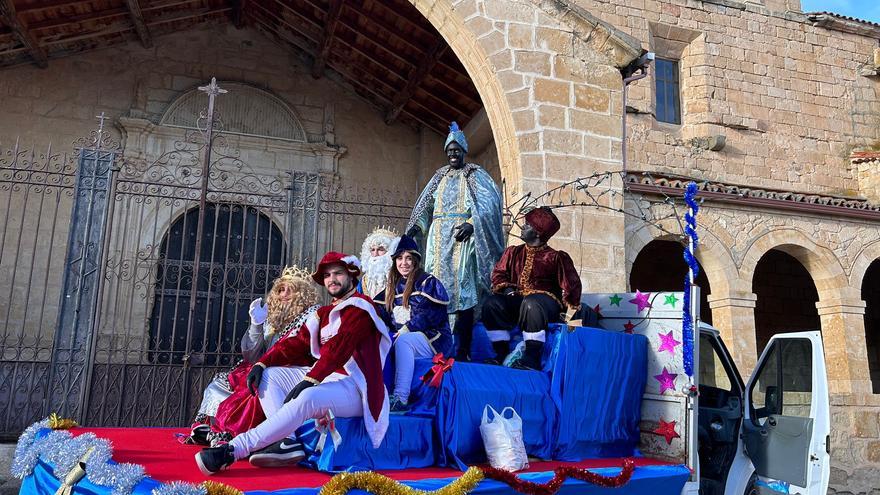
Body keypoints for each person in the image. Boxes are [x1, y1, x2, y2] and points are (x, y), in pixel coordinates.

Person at [195, 252, 392, 475]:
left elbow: (339, 348)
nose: (332, 279)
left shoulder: (361, 308)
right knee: (270, 375)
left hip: (357, 387)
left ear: (352, 276)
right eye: (327, 275)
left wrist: (311, 379)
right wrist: (262, 363)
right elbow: (296, 344)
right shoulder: (324, 313)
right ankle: (287, 442)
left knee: (307, 397)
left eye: (338, 273)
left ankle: (232, 450)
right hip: (325, 378)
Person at [406, 121, 505, 362]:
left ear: (463, 151)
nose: (453, 154)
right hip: (437, 242)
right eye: (449, 151)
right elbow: (425, 208)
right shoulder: (438, 177)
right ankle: (436, 345)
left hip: (462, 242)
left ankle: (463, 350)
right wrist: (416, 228)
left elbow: (490, 204)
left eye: (456, 150)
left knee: (464, 293)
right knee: (435, 291)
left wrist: (472, 222)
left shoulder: (475, 174)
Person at [188, 266, 320, 445]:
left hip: (291, 374)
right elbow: (252, 355)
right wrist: (256, 325)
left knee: (250, 392)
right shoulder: (274, 320)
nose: (285, 294)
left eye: (292, 290)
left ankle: (233, 434)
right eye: (281, 289)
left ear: (303, 294)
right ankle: (211, 428)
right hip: (261, 368)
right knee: (219, 383)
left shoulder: (311, 316)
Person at [482, 207, 582, 370]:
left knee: (531, 303)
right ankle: (501, 354)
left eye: (527, 225)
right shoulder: (513, 252)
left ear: (537, 232)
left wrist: (570, 315)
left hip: (545, 305)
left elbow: (572, 286)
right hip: (518, 300)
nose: (522, 227)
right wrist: (507, 290)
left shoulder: (556, 257)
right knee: (492, 304)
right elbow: (498, 274)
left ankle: (532, 358)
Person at [373, 235, 452, 412]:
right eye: (400, 258)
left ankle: (401, 398)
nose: (404, 263)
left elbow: (432, 315)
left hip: (433, 339)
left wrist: (409, 327)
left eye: (409, 258)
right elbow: (382, 314)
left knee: (404, 341)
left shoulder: (428, 282)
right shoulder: (392, 286)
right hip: (406, 338)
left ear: (415, 260)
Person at [358, 227, 400, 298]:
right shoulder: (364, 281)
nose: (375, 254)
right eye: (372, 250)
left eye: (380, 249)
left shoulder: (399, 279)